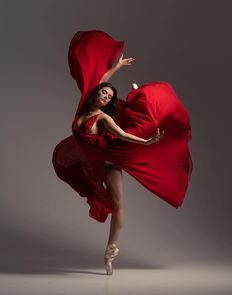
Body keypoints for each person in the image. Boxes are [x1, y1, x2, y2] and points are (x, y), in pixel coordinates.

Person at [52, 30, 193, 275]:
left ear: (108, 103)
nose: (105, 96)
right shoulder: (84, 106)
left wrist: (147, 142)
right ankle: (139, 99)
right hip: (89, 161)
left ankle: (110, 249)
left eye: (108, 96)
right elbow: (101, 79)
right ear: (97, 95)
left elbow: (124, 135)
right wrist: (117, 67)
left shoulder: (103, 117)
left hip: (109, 158)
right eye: (103, 93)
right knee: (77, 175)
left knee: (118, 203)